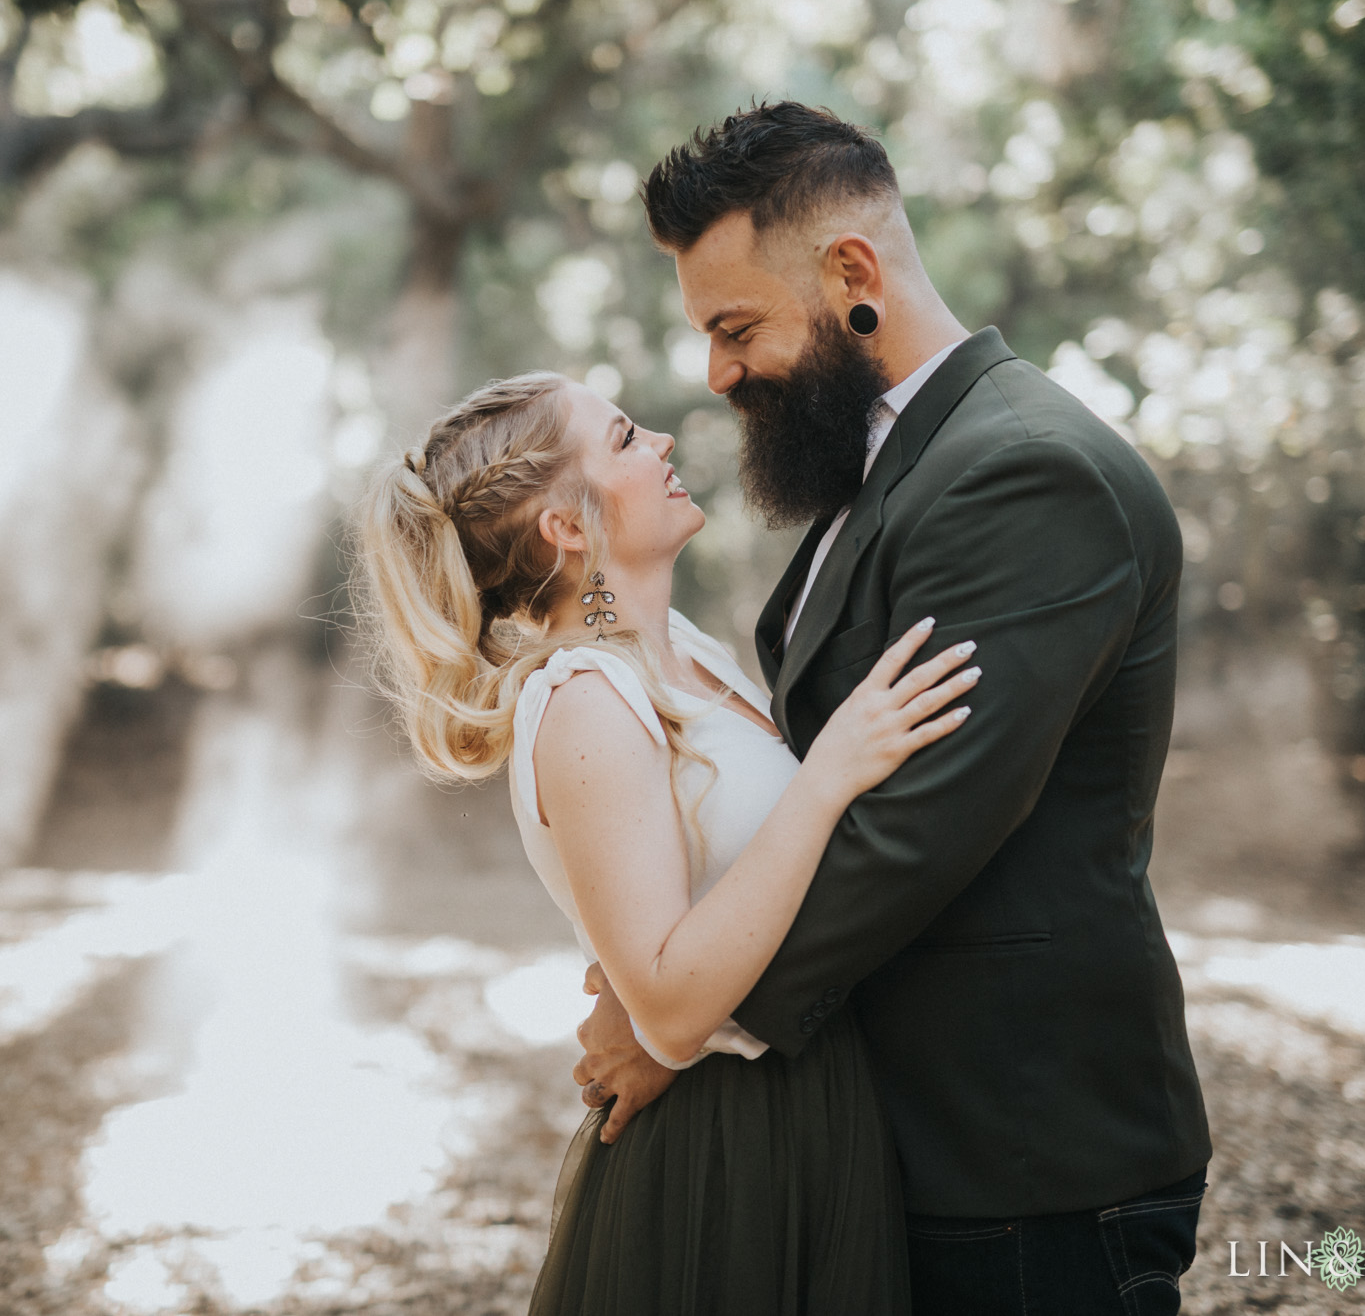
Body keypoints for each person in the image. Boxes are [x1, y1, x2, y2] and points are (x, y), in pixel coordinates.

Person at [568, 101, 1213, 1315]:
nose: (714, 374)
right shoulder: (894, 464)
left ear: (849, 273)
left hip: (1022, 1145)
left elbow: (914, 825)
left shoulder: (1022, 471)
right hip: (914, 1129)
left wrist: (680, 1023)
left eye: (734, 326)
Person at [357, 369, 981, 1313]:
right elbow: (674, 1007)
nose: (661, 443)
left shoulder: (676, 649)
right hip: (722, 1150)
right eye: (621, 439)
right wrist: (829, 774)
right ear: (566, 529)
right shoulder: (583, 701)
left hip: (814, 1104)